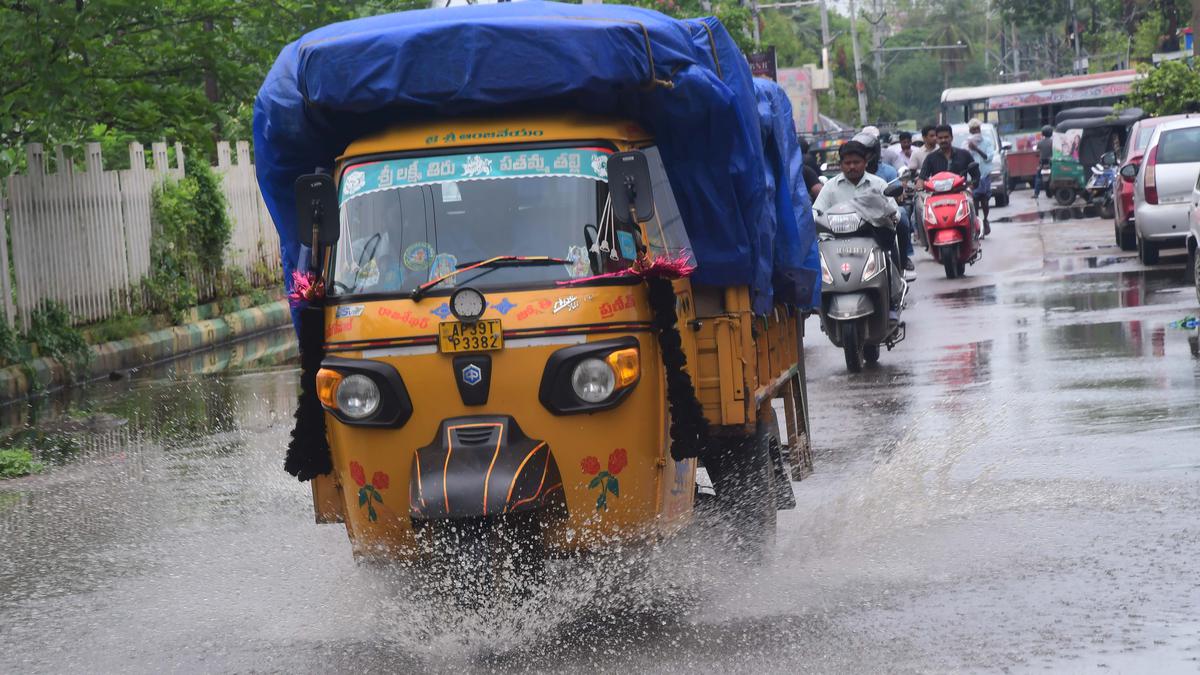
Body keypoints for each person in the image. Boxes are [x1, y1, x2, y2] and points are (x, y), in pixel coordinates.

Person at [813, 140, 905, 317]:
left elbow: (892, 208)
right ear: (840, 165)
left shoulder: (877, 184)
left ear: (865, 163)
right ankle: (821, 303)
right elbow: (817, 210)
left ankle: (892, 302)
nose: (852, 167)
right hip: (836, 242)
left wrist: (893, 216)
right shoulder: (830, 187)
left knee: (886, 257)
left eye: (856, 162)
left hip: (871, 238)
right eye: (847, 163)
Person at [856, 131, 915, 277]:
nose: (862, 157)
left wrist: (899, 194)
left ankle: (903, 258)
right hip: (854, 216)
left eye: (866, 153)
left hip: (885, 212)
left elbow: (896, 193)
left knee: (903, 217)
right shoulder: (844, 178)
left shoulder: (888, 171)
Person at [965, 118, 995, 233]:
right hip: (973, 176)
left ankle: (986, 219)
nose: (975, 131)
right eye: (973, 130)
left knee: (985, 200)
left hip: (984, 174)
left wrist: (976, 149)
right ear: (970, 131)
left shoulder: (986, 142)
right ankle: (977, 222)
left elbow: (988, 157)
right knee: (975, 200)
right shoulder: (966, 143)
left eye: (977, 129)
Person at [1034, 125, 1053, 199]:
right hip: (1051, 163)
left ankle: (1036, 193)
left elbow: (1037, 152)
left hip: (1042, 163)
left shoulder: (1040, 143)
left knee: (1038, 177)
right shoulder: (1053, 142)